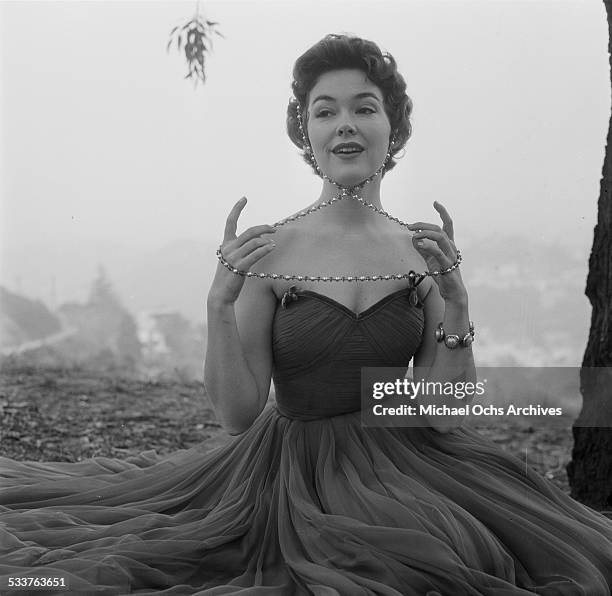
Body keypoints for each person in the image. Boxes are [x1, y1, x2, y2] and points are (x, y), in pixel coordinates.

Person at [1, 33, 611, 596]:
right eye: (326, 111)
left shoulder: (420, 253)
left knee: (473, 557)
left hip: (408, 461)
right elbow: (239, 414)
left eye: (364, 108)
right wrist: (219, 302)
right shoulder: (273, 249)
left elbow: (444, 417)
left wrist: (456, 301)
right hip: (292, 472)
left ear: (392, 128)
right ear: (307, 134)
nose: (345, 124)